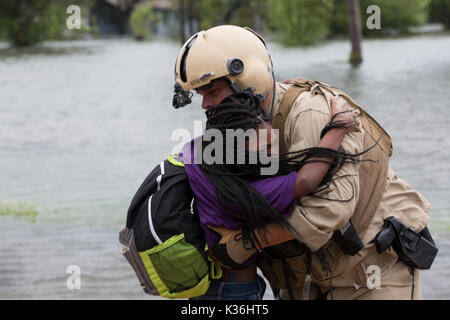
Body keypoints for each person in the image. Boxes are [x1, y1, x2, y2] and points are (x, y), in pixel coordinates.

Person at [172, 25, 432, 300]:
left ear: (247, 75)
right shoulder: (234, 129)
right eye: (201, 95)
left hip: (372, 269)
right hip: (307, 277)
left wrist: (245, 243)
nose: (205, 105)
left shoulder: (310, 112)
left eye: (211, 91)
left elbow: (329, 210)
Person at [180, 92, 361, 300]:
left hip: (213, 287)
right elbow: (307, 180)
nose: (275, 153)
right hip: (234, 293)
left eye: (273, 141)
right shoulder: (245, 194)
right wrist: (338, 127)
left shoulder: (198, 155)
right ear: (236, 155)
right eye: (265, 149)